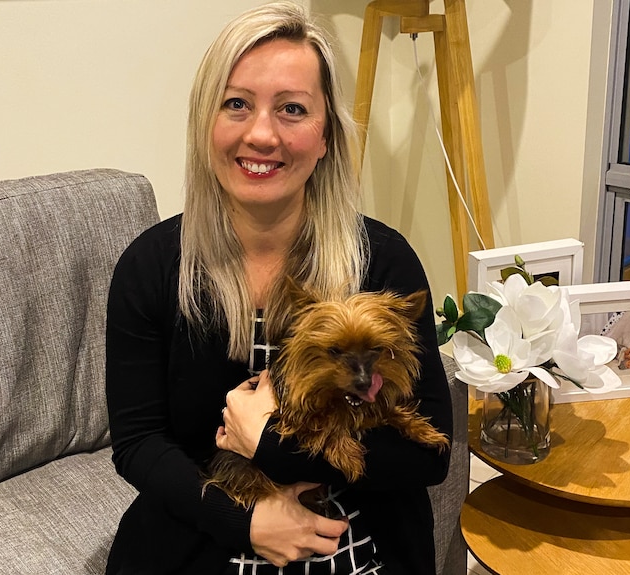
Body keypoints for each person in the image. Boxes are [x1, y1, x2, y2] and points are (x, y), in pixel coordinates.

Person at [104, 3, 453, 574]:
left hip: (363, 544)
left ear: (325, 137)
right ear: (205, 125)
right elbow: (139, 443)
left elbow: (429, 454)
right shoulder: (150, 267)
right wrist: (244, 521)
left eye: (292, 109)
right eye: (237, 104)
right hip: (206, 528)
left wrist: (270, 444)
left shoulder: (384, 262)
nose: (261, 134)